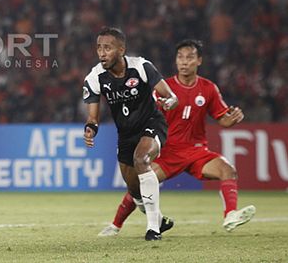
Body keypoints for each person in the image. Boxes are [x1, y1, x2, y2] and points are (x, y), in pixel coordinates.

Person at [98, 39, 254, 237]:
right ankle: (115, 225)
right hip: (167, 152)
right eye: (180, 57)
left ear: (199, 61)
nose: (184, 62)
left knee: (228, 170)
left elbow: (221, 119)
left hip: (196, 151)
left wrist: (232, 120)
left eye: (190, 57)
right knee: (140, 184)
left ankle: (230, 215)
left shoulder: (208, 88)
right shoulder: (164, 87)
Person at [82, 27, 178, 241]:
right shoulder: (95, 77)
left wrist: (169, 102)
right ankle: (160, 219)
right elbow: (93, 117)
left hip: (152, 123)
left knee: (141, 159)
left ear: (121, 49)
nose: (102, 53)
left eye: (107, 48)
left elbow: (171, 97)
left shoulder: (142, 67)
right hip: (125, 134)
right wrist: (91, 129)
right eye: (99, 47)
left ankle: (153, 229)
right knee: (134, 189)